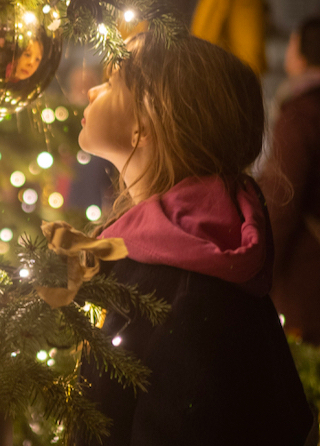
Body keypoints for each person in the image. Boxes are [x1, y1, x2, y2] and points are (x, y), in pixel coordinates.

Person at [73, 31, 313, 445]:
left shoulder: (187, 289)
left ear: (144, 126)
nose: (93, 90)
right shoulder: (169, 256)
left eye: (112, 82)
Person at [258, 16, 320, 344]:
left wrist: (261, 269)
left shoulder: (301, 113)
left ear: (301, 54)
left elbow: (283, 197)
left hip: (307, 273)